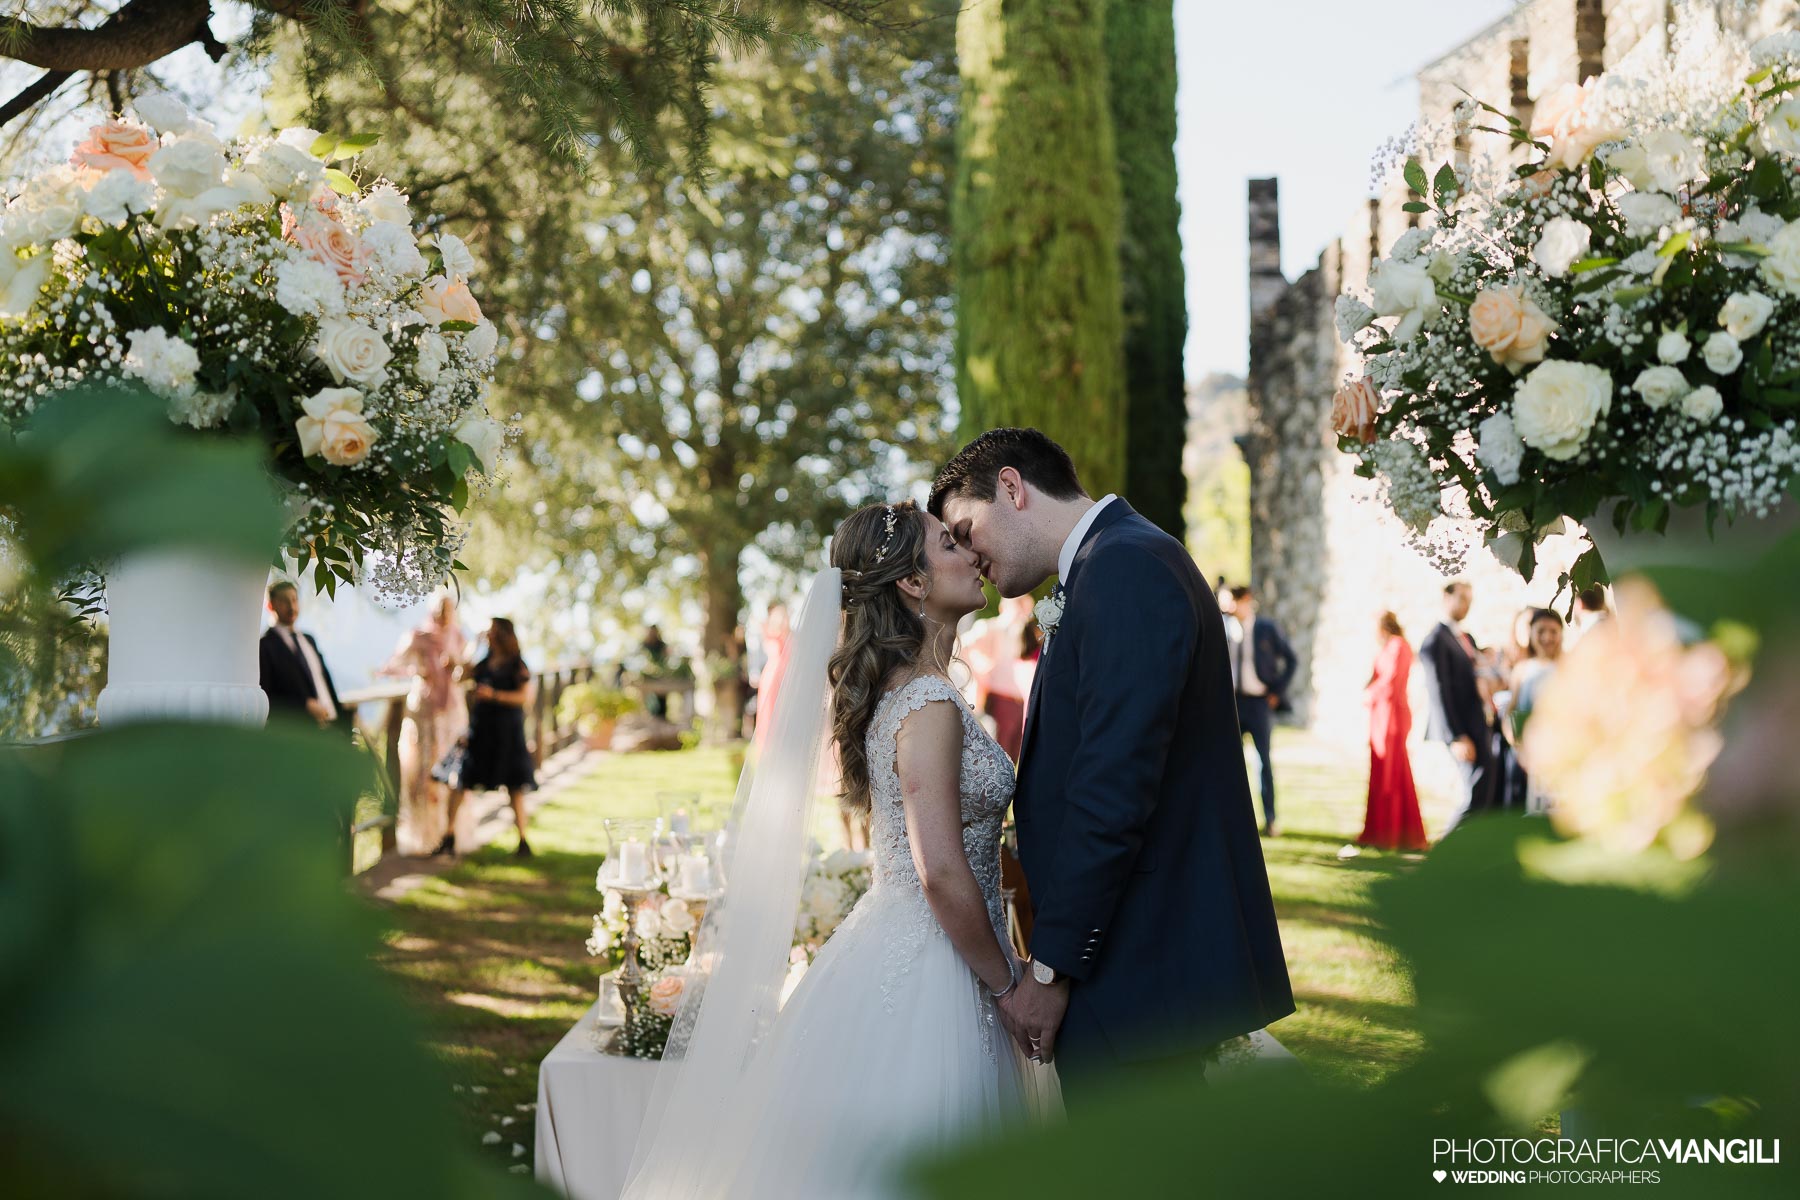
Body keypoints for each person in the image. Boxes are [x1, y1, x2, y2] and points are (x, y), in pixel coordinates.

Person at [620, 502, 1054, 1199]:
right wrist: (1009, 985)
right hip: (936, 966)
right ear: (911, 583)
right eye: (950, 543)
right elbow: (939, 872)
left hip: (909, 946)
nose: (971, 552)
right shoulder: (927, 705)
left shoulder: (914, 692)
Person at [932, 427, 1293, 1084]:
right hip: (1131, 956)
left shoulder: (1124, 567)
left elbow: (1114, 786)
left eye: (965, 527)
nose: (968, 553)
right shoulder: (1114, 559)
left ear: (1011, 487)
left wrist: (1051, 968)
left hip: (1136, 963)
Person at [434, 617, 536, 857]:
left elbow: (525, 697)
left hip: (507, 731)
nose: (488, 634)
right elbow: (460, 676)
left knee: (514, 786)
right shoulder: (483, 661)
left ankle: (523, 841)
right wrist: (473, 645)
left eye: (491, 631)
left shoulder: (517, 664)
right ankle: (449, 837)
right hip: (480, 728)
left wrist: (494, 695)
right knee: (460, 780)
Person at [379, 592, 469, 855]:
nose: (444, 614)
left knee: (453, 770)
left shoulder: (458, 636)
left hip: (451, 711)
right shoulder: (417, 635)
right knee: (423, 773)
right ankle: (423, 836)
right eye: (440, 609)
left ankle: (449, 833)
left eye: (448, 609)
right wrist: (419, 671)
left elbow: (465, 669)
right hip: (425, 711)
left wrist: (456, 666)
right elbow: (393, 666)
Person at [1420, 580, 1496, 830]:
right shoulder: (1435, 641)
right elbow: (1438, 692)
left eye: (1470, 601)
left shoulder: (1466, 638)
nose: (1466, 606)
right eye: (1462, 598)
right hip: (1462, 730)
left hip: (1479, 723)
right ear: (1446, 597)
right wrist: (1456, 736)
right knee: (1475, 794)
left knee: (1484, 792)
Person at [1225, 584, 1298, 837]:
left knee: (1263, 761)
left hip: (1259, 703)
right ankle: (1233, 820)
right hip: (1233, 703)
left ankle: (1270, 819)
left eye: (1236, 601)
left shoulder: (1266, 628)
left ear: (1246, 601)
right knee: (1229, 763)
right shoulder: (1224, 629)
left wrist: (1276, 691)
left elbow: (1291, 659)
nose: (1232, 607)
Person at [1358, 612, 1427, 851]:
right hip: (1379, 716)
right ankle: (1378, 830)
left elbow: (1392, 683)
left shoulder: (1399, 646)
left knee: (1393, 773)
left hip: (1392, 717)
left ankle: (1396, 833)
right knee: (1380, 769)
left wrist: (1370, 694)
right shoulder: (1387, 647)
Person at [258, 580, 349, 733]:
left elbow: (325, 682)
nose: (291, 607)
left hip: (331, 726)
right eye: (284, 601)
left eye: (294, 600)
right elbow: (267, 697)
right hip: (299, 731)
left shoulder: (309, 639)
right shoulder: (265, 646)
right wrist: (304, 704)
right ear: (270, 605)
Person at [963, 593, 1036, 761]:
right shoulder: (989, 627)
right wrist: (980, 672)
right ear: (1005, 607)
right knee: (998, 756)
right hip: (1000, 698)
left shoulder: (1022, 633)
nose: (1023, 613)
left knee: (1015, 757)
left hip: (1019, 701)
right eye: (1019, 606)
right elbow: (963, 646)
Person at [1507, 608, 1566, 814]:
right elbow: (1510, 713)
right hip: (1531, 757)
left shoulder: (1570, 666)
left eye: (1553, 631)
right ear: (1531, 634)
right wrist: (1518, 746)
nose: (1547, 637)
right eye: (1541, 631)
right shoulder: (1522, 670)